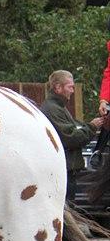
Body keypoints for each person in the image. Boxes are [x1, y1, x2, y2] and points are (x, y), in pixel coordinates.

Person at [39, 70, 103, 203]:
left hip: (66, 170)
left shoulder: (58, 107)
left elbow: (74, 127)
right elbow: (70, 137)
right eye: (70, 87)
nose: (73, 91)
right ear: (58, 87)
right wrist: (92, 127)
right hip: (63, 171)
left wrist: (93, 124)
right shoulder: (52, 109)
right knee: (66, 208)